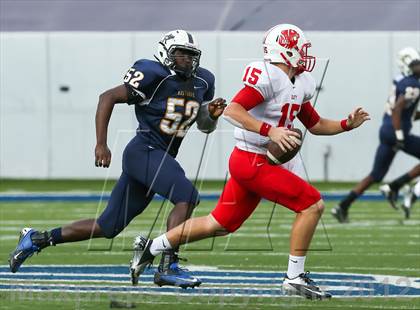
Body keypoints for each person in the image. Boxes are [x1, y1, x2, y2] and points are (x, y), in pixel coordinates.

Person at [130, 24, 370, 299]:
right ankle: (294, 277)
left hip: (258, 161)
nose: (304, 54)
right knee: (311, 205)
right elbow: (233, 109)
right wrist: (271, 131)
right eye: (300, 49)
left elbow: (314, 124)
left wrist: (346, 124)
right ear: (285, 49)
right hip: (251, 159)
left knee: (219, 224)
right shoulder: (268, 77)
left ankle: (150, 247)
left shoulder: (299, 82)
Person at [8, 30, 226, 289]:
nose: (186, 61)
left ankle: (37, 239)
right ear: (166, 52)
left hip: (159, 157)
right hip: (143, 151)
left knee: (108, 226)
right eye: (180, 54)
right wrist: (101, 143)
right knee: (186, 195)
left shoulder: (203, 80)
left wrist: (210, 115)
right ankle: (168, 265)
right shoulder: (153, 74)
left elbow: (204, 126)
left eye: (191, 56)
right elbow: (107, 97)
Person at [332, 48, 420, 223]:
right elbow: (397, 109)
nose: (418, 67)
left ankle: (343, 205)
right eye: (415, 64)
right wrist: (400, 136)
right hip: (395, 132)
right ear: (406, 66)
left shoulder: (401, 80)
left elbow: (406, 112)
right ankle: (395, 186)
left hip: (387, 130)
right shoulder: (413, 84)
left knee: (376, 175)